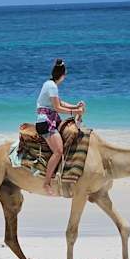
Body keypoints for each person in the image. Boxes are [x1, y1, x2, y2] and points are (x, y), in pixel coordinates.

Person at [36, 58, 85, 192]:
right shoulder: (52, 86)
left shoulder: (50, 84)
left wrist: (76, 106)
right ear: (63, 75)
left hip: (49, 120)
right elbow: (58, 108)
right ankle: (46, 183)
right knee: (58, 151)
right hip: (45, 123)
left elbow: (60, 102)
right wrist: (74, 111)